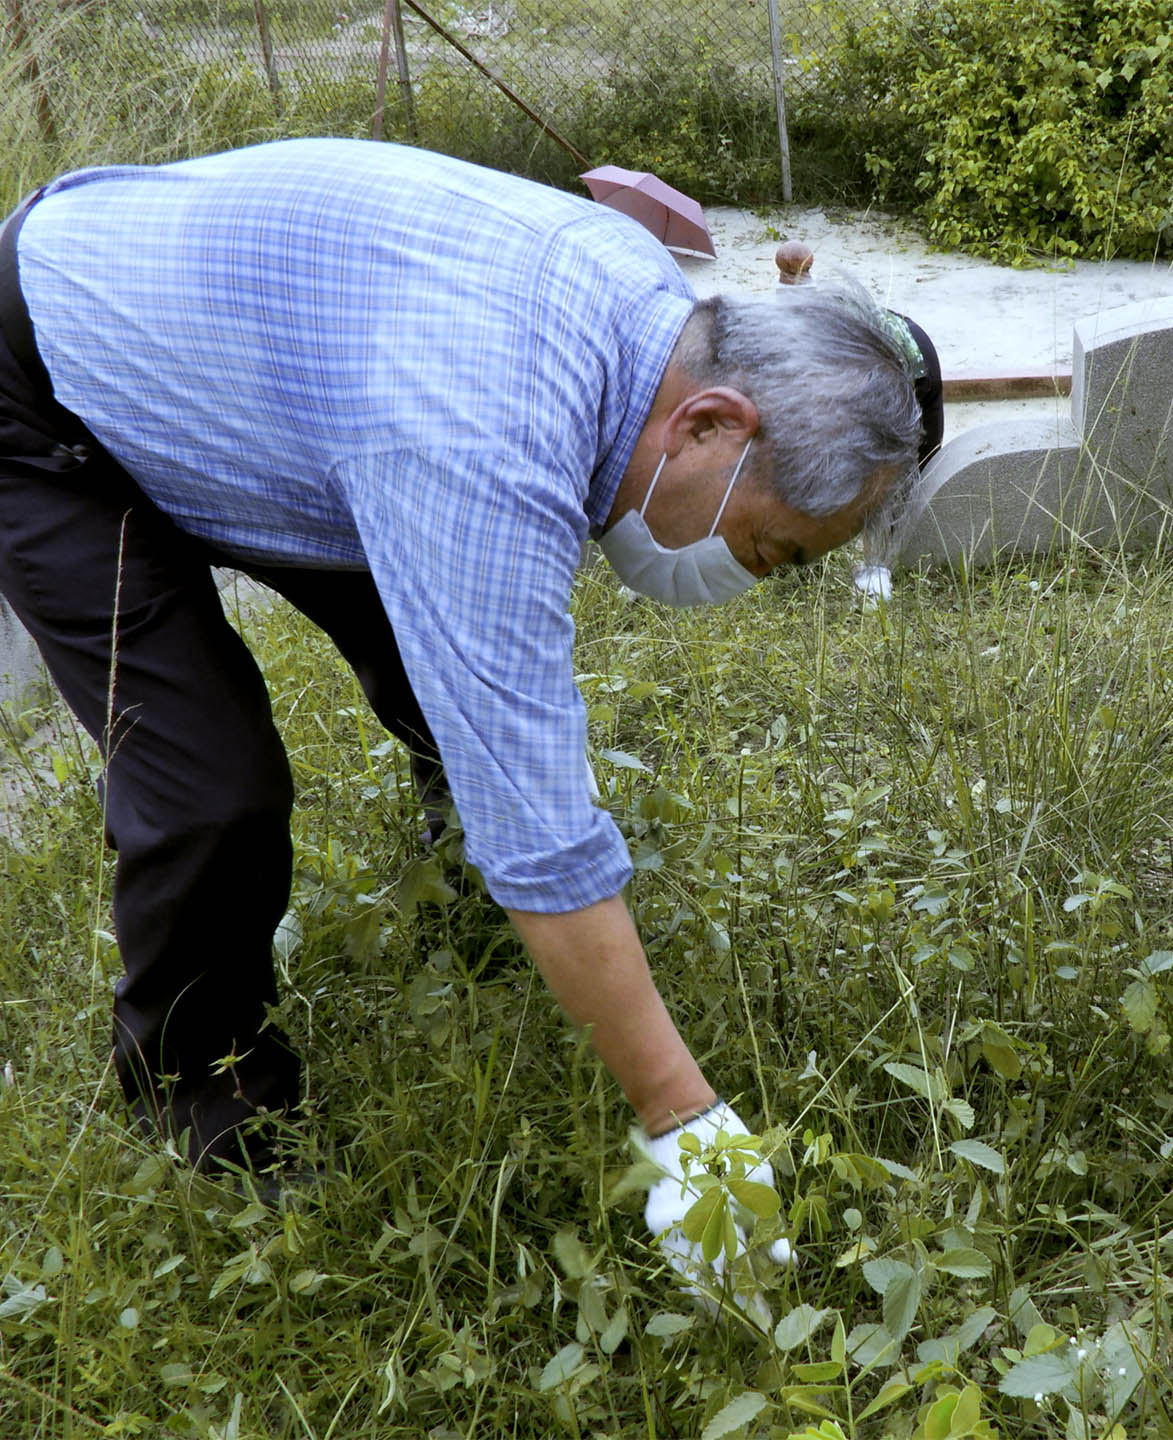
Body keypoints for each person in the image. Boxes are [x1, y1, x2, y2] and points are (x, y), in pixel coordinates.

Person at [0, 138, 921, 1320]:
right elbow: (538, 819)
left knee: (454, 688)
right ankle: (198, 1097)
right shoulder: (479, 438)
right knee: (212, 790)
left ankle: (476, 910)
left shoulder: (651, 316)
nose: (750, 577)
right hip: (56, 395)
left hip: (266, 370)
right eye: (768, 548)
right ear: (710, 424)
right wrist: (686, 1123)